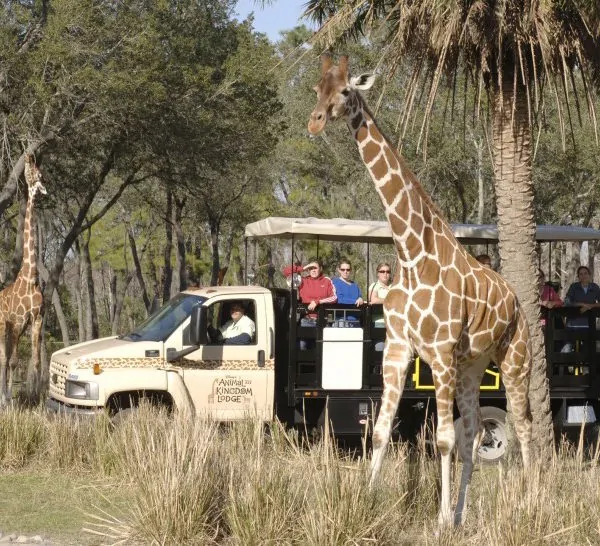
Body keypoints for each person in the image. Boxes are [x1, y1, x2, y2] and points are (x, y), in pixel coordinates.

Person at [297, 258, 336, 348]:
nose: (313, 270)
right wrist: (304, 268)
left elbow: (334, 298)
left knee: (323, 349)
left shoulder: (327, 281)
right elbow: (286, 272)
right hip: (306, 320)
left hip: (324, 320)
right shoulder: (302, 281)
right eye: (311, 268)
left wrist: (317, 302)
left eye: (315, 268)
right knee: (303, 347)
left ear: (321, 269)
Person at [562, 266, 600, 352]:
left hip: (589, 325)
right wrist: (582, 304)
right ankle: (562, 366)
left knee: (588, 352)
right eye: (581, 274)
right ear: (578, 276)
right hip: (572, 325)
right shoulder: (574, 287)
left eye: (585, 273)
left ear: (589, 275)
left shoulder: (595, 287)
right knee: (566, 350)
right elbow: (567, 302)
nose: (583, 276)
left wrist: (590, 306)